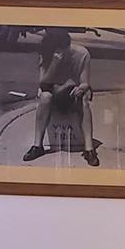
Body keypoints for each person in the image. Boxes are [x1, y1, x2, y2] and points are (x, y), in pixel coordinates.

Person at [23, 28, 98, 167]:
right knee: (45, 97)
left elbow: (85, 83)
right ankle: (37, 146)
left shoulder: (82, 54)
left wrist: (81, 88)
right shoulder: (46, 54)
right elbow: (43, 83)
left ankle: (89, 150)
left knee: (84, 99)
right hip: (54, 92)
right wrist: (54, 64)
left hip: (73, 92)